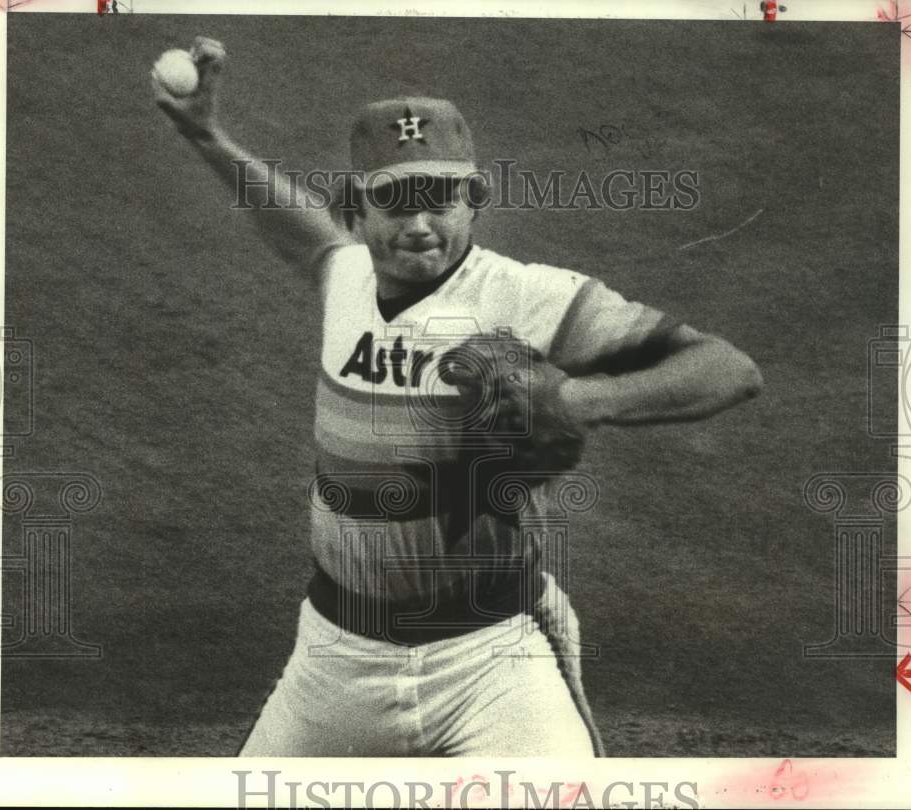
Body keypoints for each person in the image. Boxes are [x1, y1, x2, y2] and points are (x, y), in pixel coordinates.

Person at [152, 37, 763, 757]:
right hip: (335, 658)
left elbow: (728, 368)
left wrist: (579, 402)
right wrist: (206, 136)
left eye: (439, 198)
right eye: (393, 200)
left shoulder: (528, 296)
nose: (418, 224)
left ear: (474, 200)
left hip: (491, 659)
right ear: (356, 210)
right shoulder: (346, 275)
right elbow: (300, 233)